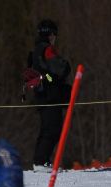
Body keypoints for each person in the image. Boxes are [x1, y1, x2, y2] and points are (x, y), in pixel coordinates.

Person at [30, 19, 71, 171]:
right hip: (50, 96)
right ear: (50, 34)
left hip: (41, 95)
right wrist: (65, 66)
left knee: (47, 128)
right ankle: (41, 162)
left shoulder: (36, 50)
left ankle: (40, 161)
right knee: (52, 129)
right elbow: (60, 68)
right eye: (54, 34)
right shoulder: (47, 49)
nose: (55, 38)